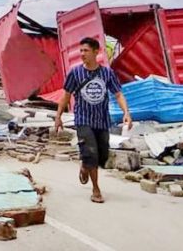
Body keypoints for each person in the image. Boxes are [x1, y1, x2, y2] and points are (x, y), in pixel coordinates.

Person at [55, 37, 132, 203]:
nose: (82, 54)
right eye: (81, 51)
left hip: (102, 120)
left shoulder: (107, 73)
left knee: (102, 156)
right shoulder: (75, 73)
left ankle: (85, 165)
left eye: (86, 51)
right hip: (83, 119)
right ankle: (96, 189)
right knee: (91, 153)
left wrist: (126, 112)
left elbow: (118, 94)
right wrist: (58, 116)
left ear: (96, 52)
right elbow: (66, 96)